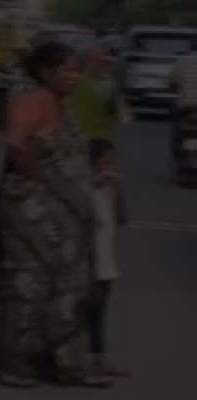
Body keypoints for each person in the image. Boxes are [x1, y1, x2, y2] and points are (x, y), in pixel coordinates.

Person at [0, 41, 108, 388]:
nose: (75, 76)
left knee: (66, 287)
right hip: (32, 215)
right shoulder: (32, 100)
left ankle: (61, 363)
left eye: (77, 69)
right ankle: (10, 364)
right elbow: (17, 142)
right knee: (28, 287)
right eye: (67, 69)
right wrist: (37, 178)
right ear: (45, 72)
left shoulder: (62, 105)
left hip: (62, 216)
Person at [70, 48, 128, 379]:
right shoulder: (101, 88)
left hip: (94, 162)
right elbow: (117, 115)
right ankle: (88, 357)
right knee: (91, 290)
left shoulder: (84, 88)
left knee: (97, 287)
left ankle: (94, 356)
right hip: (90, 161)